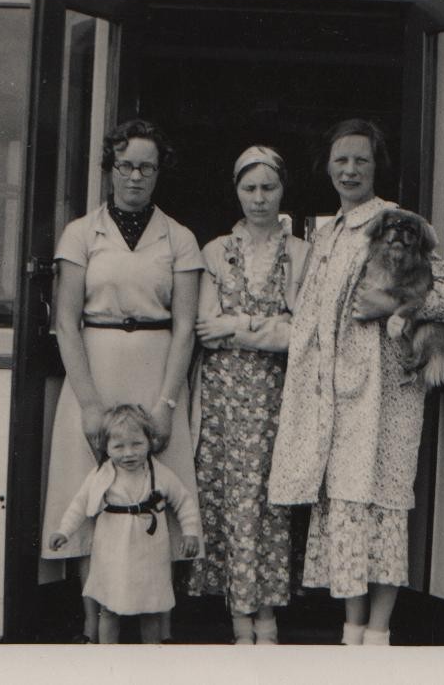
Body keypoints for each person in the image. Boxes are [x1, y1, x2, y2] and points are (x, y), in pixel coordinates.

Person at [267, 119, 444, 646]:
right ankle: (350, 632)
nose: (350, 169)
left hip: (386, 395)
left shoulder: (397, 221)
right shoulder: (329, 231)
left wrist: (392, 305)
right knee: (345, 508)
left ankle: (377, 635)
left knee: (380, 506)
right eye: (340, 160)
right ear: (327, 168)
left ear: (377, 166)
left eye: (360, 159)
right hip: (336, 394)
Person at [40, 119, 203, 644]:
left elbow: (184, 329)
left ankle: (157, 627)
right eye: (126, 165)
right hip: (95, 370)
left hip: (156, 368)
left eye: (147, 167)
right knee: (90, 497)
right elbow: (66, 322)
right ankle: (93, 625)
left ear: (159, 173)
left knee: (158, 493)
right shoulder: (81, 233)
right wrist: (89, 404)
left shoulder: (178, 238)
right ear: (110, 169)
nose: (136, 177)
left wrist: (166, 403)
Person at [187, 146, 310, 645]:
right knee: (229, 502)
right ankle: (241, 622)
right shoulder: (215, 251)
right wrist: (267, 326)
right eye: (249, 188)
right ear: (236, 190)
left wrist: (239, 325)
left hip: (277, 396)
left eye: (269, 188)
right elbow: (203, 329)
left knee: (267, 503)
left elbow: (302, 333)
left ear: (282, 189)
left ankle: (268, 620)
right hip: (221, 401)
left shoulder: (302, 253)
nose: (259, 198)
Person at [49, 405, 202, 644]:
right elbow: (79, 505)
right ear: (106, 447)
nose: (128, 453)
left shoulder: (158, 473)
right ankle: (109, 659)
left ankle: (150, 656)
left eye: (136, 444)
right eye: (118, 447)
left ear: (149, 442)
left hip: (149, 552)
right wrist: (64, 531)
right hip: (113, 551)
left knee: (151, 609)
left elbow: (184, 502)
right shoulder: (102, 475)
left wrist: (190, 532)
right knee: (109, 607)